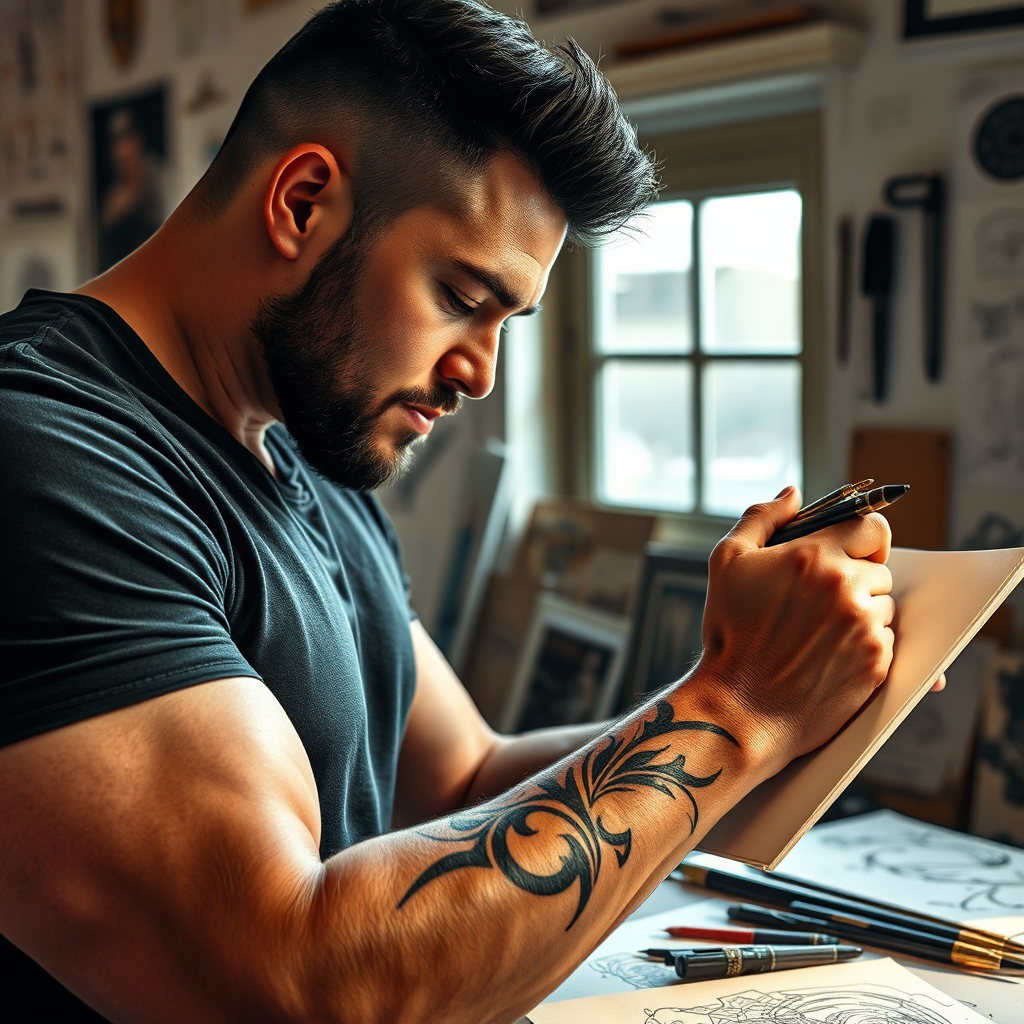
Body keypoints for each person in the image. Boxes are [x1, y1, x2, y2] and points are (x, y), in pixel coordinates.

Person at [0, 2, 907, 1021]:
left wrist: (788, 699)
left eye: (508, 319)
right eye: (461, 297)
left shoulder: (305, 450)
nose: (479, 372)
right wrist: (738, 711)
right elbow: (288, 981)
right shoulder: (45, 459)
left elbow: (463, 779)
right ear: (303, 204)